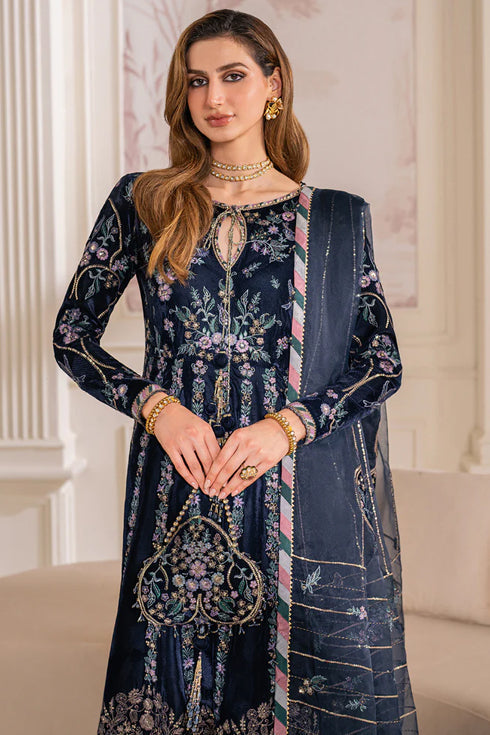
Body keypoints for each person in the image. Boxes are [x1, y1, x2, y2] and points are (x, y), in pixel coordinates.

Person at [52, 8, 418, 735]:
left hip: (285, 483)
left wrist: (287, 427)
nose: (214, 97)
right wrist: (157, 407)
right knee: (169, 689)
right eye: (196, 81)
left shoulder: (334, 218)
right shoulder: (145, 200)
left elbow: (381, 361)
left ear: (273, 85)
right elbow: (73, 336)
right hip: (175, 486)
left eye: (233, 76)